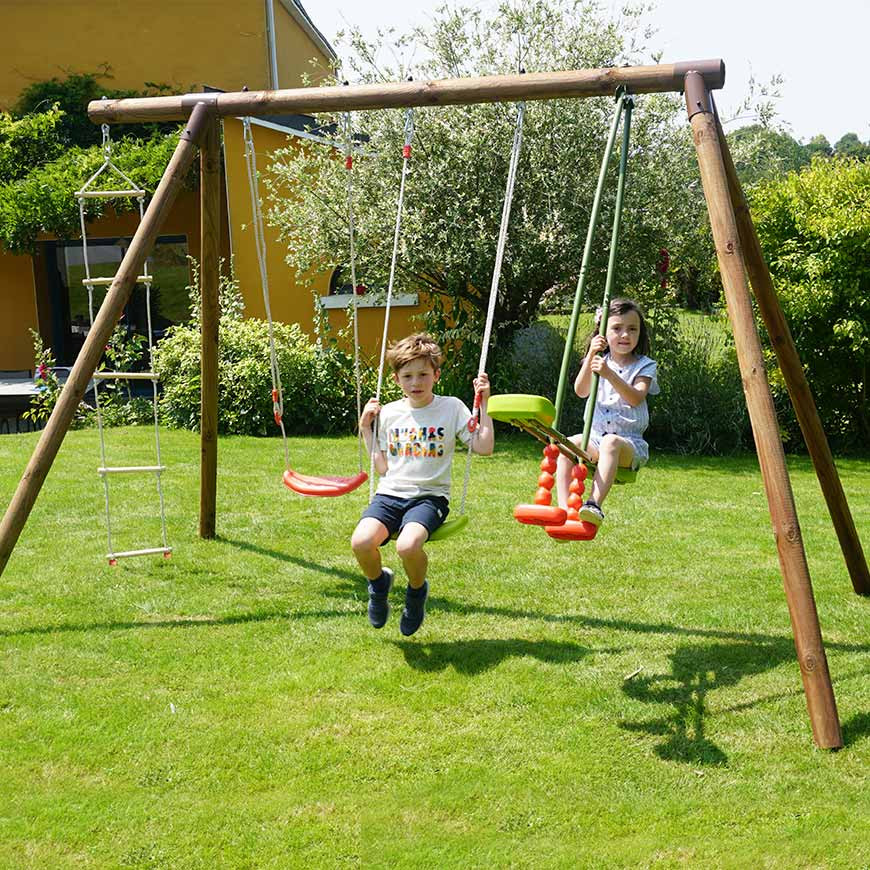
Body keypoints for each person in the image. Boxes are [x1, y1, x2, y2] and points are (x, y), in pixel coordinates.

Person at [352, 333, 493, 636]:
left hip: (429, 497)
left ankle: (416, 593)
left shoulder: (451, 407)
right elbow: (382, 466)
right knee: (361, 543)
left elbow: (484, 447)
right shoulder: (389, 412)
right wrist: (366, 428)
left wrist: (485, 404)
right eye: (408, 376)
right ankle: (378, 585)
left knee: (407, 545)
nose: (416, 382)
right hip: (390, 494)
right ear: (396, 379)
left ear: (436, 375)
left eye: (423, 374)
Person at [555, 298, 658, 528]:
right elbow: (581, 391)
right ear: (603, 332)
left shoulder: (645, 366)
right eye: (617, 328)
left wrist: (610, 374)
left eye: (632, 329)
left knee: (611, 442)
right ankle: (563, 509)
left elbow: (635, 397)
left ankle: (594, 504)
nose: (625, 335)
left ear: (640, 334)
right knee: (566, 445)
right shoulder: (598, 361)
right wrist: (592, 354)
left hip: (628, 445)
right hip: (594, 439)